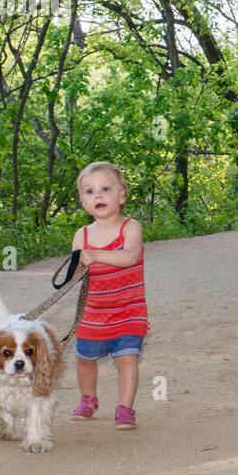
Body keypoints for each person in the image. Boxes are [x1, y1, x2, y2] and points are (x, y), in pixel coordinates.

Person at [69, 161, 149, 430]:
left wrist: (96, 256)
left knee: (127, 357)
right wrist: (77, 269)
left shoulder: (131, 228)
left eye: (105, 188)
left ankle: (125, 408)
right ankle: (89, 399)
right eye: (90, 192)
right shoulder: (81, 236)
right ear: (82, 201)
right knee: (84, 359)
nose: (98, 196)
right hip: (93, 313)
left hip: (129, 310)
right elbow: (75, 274)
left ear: (122, 194)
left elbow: (130, 256)